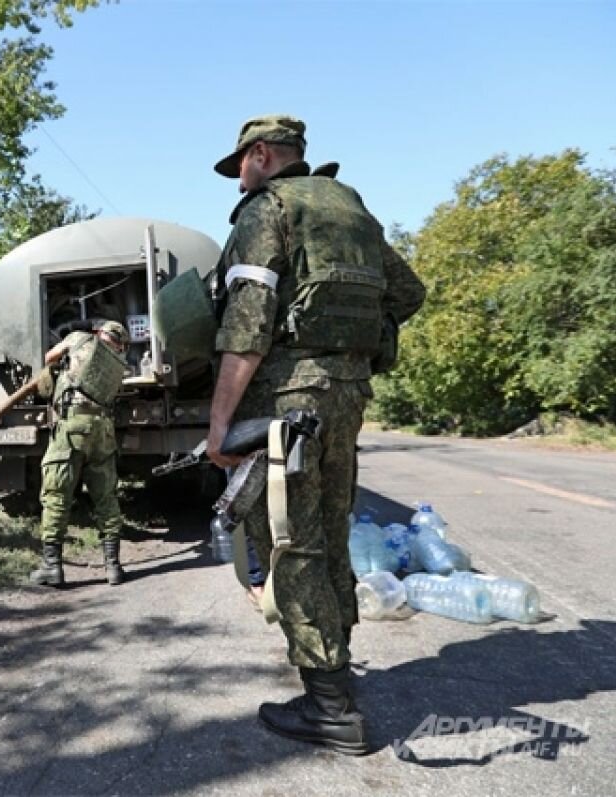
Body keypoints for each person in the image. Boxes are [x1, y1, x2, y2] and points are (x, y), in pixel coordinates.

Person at [206, 115, 426, 755]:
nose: (238, 180)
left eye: (240, 166)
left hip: (288, 401)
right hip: (348, 394)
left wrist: (220, 425)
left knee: (292, 542)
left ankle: (331, 708)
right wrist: (356, 342)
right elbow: (408, 291)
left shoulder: (266, 209)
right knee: (330, 531)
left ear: (262, 154)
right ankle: (336, 670)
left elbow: (247, 326)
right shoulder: (349, 208)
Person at [29, 320, 130, 588]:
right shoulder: (119, 364)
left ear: (98, 333)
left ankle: (52, 566)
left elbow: (48, 358)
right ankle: (113, 567)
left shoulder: (79, 339)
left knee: (57, 494)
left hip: (71, 427)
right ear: (120, 344)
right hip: (103, 431)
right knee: (106, 497)